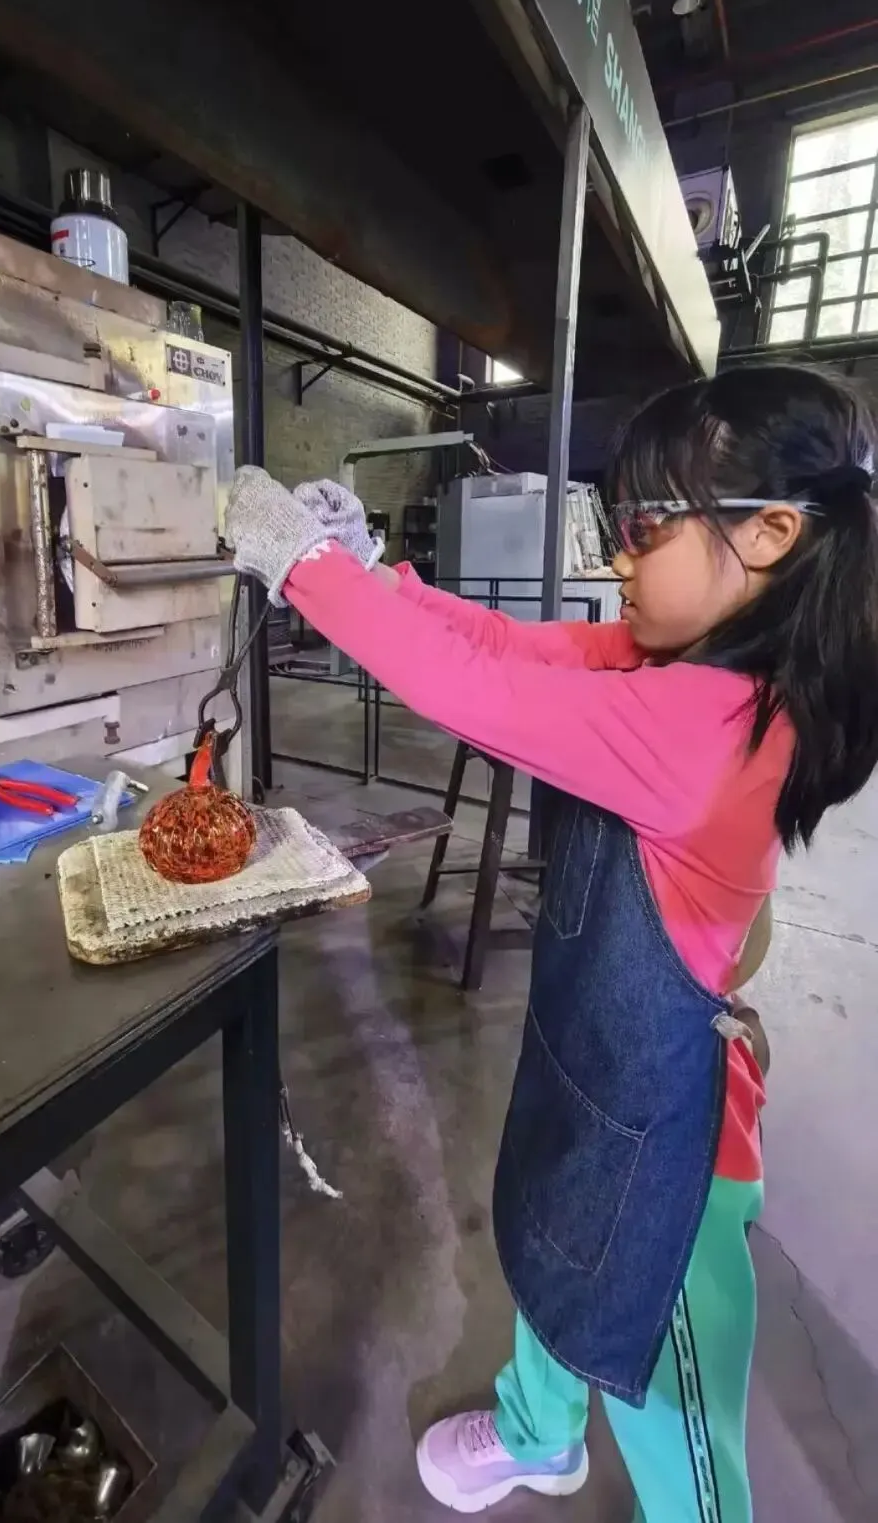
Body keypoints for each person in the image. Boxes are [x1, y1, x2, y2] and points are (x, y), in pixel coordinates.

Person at [224, 363, 878, 1520]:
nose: (619, 557)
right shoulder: (679, 660)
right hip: (592, 1072)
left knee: (671, 1398)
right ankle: (540, 1431)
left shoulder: (710, 728)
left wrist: (308, 571)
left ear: (771, 533)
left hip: (673, 1148)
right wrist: (371, 571)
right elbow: (503, 650)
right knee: (552, 1242)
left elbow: (468, 693)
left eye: (646, 526)